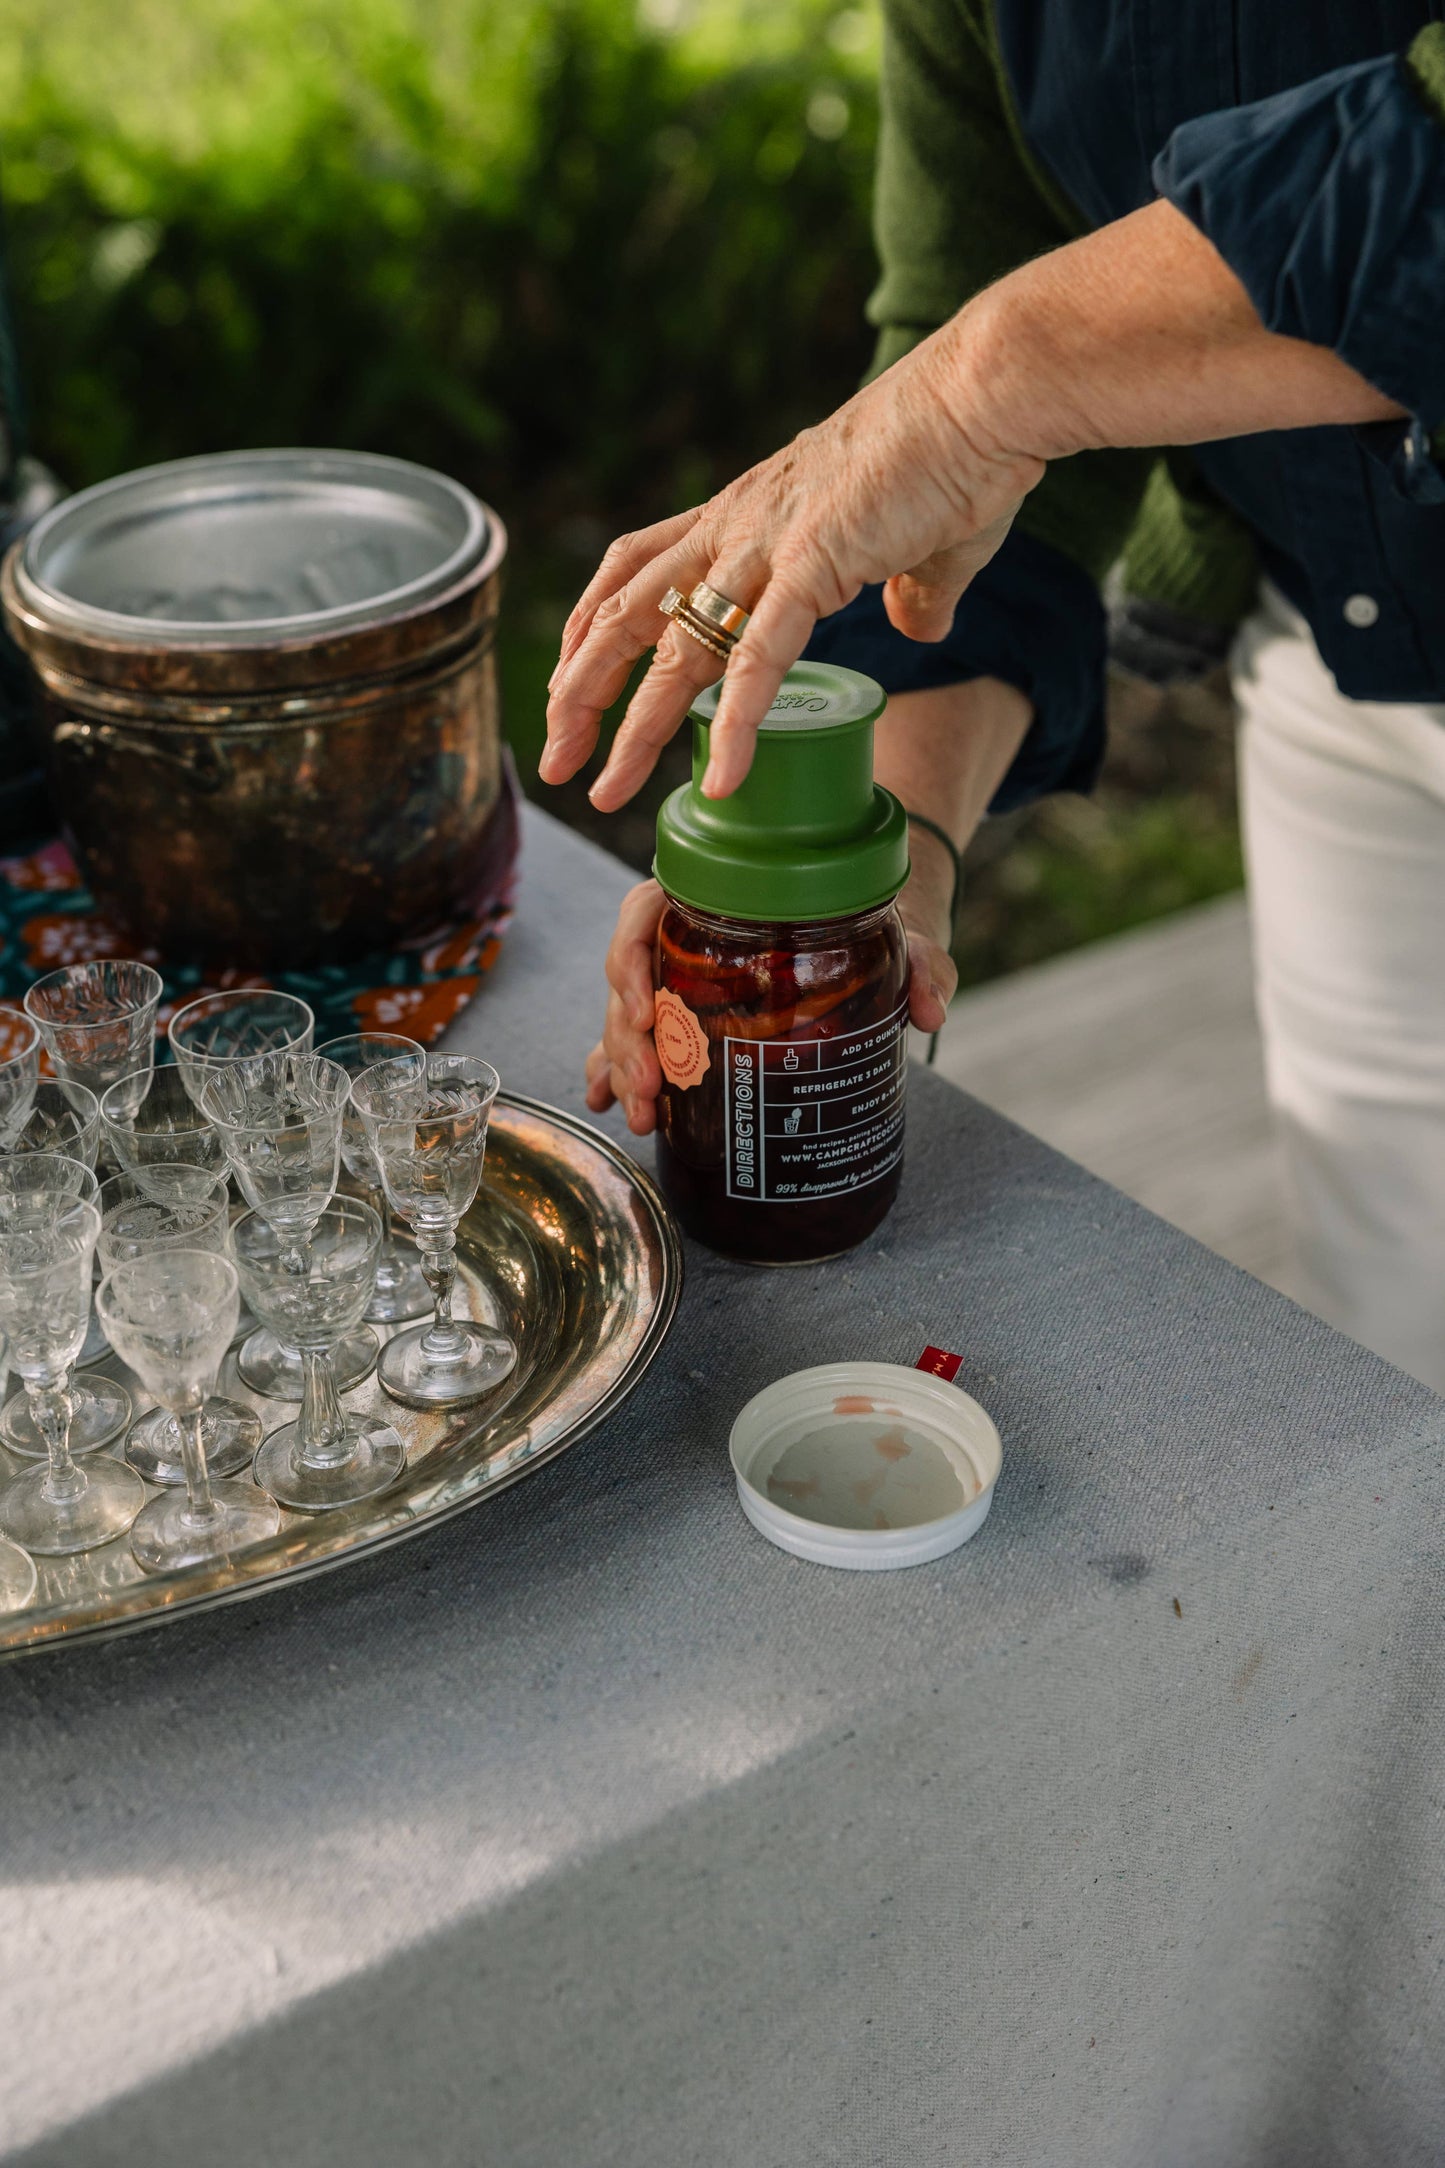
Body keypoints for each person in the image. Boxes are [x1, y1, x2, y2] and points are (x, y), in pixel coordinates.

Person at [542, 5, 1445, 1390]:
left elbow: (1002, 384)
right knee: (1396, 1351)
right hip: (1343, 658)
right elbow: (987, 387)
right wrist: (854, 865)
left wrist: (989, 382)